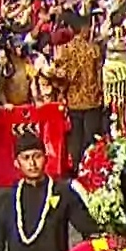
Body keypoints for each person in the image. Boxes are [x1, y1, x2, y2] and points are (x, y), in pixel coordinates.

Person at [51, 11, 107, 169]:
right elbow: (99, 75)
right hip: (92, 101)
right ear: (83, 29)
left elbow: (60, 75)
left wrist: (62, 91)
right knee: (91, 137)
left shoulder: (66, 50)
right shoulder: (94, 50)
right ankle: (90, 169)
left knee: (76, 137)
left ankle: (75, 167)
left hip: (74, 101)